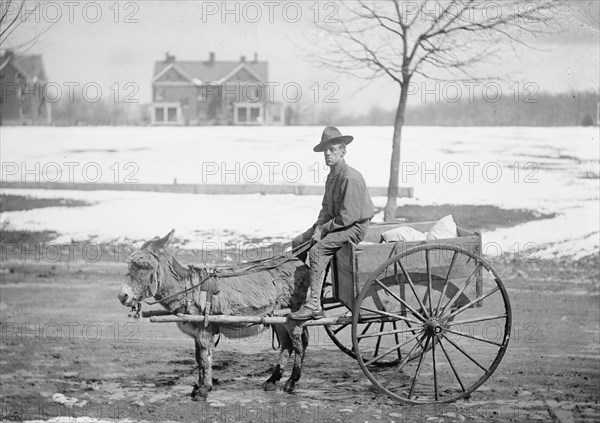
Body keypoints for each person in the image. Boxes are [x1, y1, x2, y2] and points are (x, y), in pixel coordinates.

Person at [289, 126, 374, 320]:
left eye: (333, 149)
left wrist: (324, 230)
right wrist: (318, 227)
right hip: (338, 224)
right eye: (325, 150)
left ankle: (313, 305)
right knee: (298, 242)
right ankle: (302, 291)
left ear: (343, 151)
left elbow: (348, 216)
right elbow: (326, 209)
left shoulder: (350, 177)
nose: (328, 154)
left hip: (354, 228)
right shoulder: (332, 176)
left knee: (318, 251)